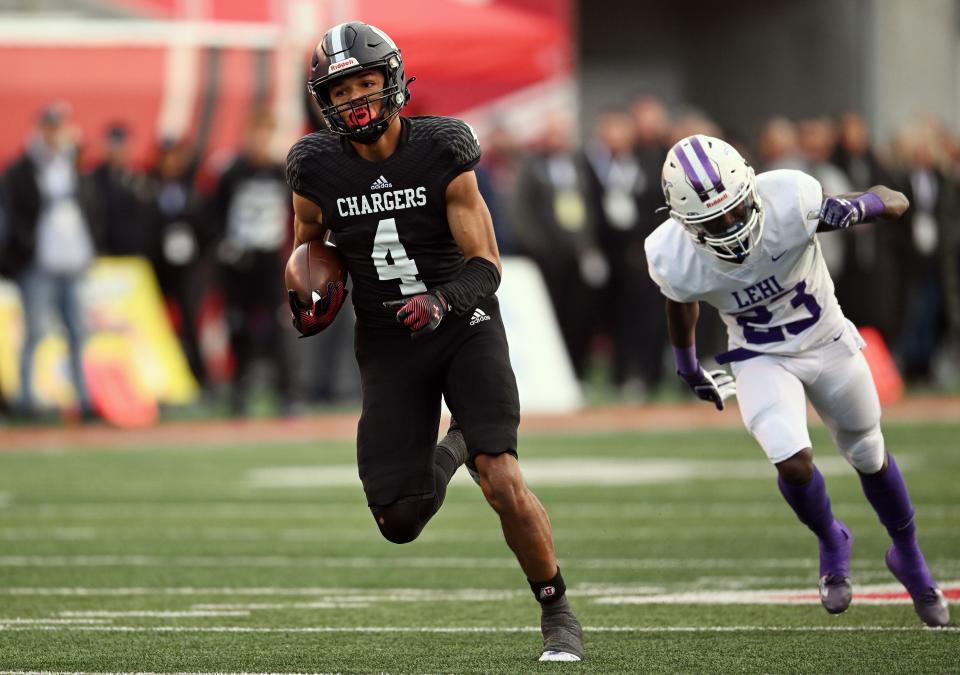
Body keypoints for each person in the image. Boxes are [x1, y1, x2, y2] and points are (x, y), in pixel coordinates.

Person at [284, 22, 584, 661]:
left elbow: (488, 263)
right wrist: (312, 288)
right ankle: (458, 440)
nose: (357, 98)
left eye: (367, 81)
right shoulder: (314, 167)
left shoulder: (442, 149)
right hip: (389, 342)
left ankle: (556, 607)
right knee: (399, 520)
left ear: (393, 80)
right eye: (342, 89)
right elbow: (311, 241)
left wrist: (442, 299)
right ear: (323, 100)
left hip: (462, 326)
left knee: (501, 477)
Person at [644, 134, 950, 627]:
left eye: (735, 210)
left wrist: (857, 208)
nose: (729, 226)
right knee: (791, 459)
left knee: (869, 453)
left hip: (826, 340)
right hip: (759, 355)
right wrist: (686, 363)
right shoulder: (672, 254)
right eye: (712, 221)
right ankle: (832, 538)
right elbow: (681, 303)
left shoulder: (790, 197)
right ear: (683, 223)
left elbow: (896, 200)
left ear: (750, 185)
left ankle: (908, 555)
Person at [2, 102, 100, 419]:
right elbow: (14, 216)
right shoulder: (22, 170)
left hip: (72, 262)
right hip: (39, 263)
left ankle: (83, 399)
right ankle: (26, 399)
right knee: (34, 332)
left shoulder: (73, 166)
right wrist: (22, 251)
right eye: (50, 126)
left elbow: (89, 209)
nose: (56, 133)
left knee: (77, 332)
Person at [212, 110, 295, 416]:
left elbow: (297, 214)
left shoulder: (280, 172)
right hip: (239, 260)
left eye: (265, 135)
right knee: (238, 326)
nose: (260, 141)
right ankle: (239, 393)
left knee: (277, 326)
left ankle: (286, 393)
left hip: (269, 258)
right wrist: (224, 245)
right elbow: (215, 213)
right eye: (255, 134)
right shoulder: (233, 172)